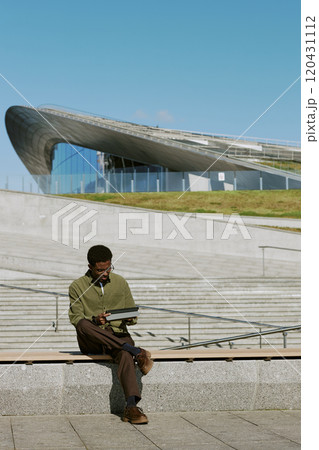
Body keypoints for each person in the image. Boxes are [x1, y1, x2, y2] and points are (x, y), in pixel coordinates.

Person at [68, 244, 153, 424]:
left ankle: (131, 407)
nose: (106, 273)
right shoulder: (77, 286)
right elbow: (75, 318)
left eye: (108, 268)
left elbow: (133, 315)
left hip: (118, 334)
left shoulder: (120, 282)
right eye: (100, 270)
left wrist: (129, 318)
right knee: (83, 324)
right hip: (92, 338)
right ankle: (133, 350)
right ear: (90, 267)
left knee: (124, 355)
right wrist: (95, 320)